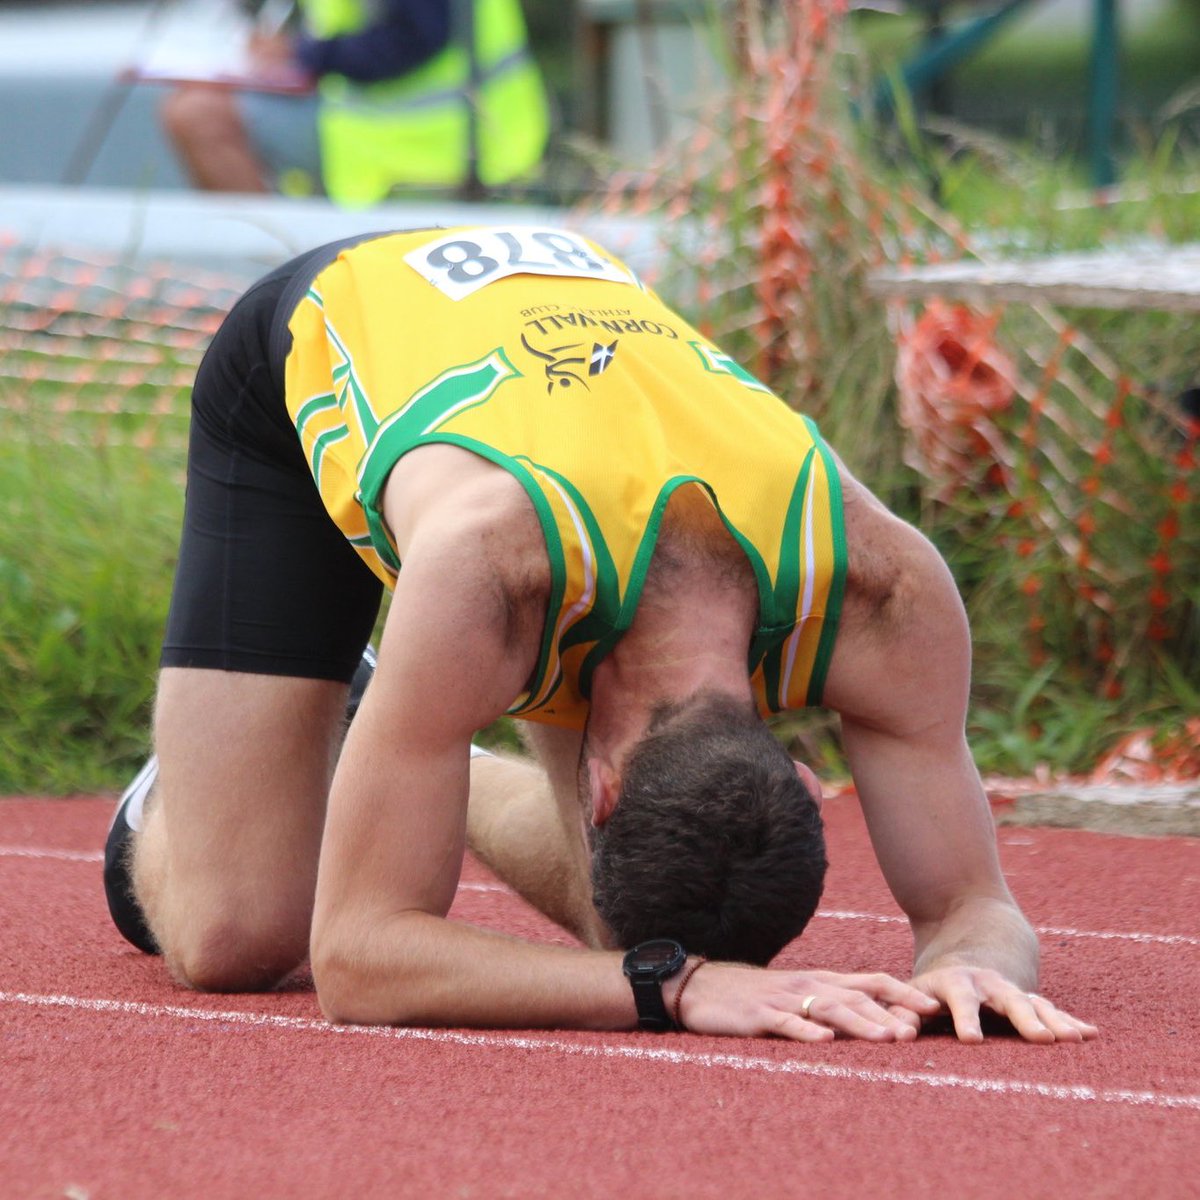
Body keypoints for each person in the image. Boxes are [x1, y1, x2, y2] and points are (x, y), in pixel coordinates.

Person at [104, 225, 1099, 1046]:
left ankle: (388, 717)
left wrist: (973, 966)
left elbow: (977, 906)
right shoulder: (492, 573)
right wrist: (678, 986)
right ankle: (207, 780)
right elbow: (357, 960)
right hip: (329, 323)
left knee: (622, 927)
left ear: (801, 780)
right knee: (238, 938)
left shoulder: (886, 589)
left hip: (571, 361)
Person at [161, 0, 548, 205]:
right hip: (393, 124)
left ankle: (269, 295)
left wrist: (303, 54)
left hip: (427, 139)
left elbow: (414, 38)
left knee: (196, 115)